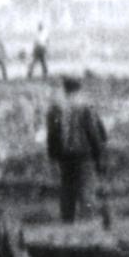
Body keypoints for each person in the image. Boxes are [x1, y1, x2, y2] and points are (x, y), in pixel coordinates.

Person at [42, 80, 107, 222]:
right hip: (84, 153)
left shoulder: (56, 108)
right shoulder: (86, 106)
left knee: (67, 188)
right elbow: (94, 132)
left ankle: (67, 220)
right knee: (86, 188)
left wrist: (53, 156)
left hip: (64, 155)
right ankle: (87, 219)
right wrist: (99, 155)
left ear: (65, 89)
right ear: (79, 89)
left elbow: (52, 134)